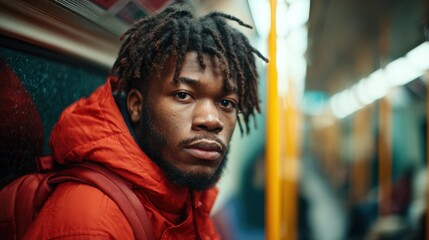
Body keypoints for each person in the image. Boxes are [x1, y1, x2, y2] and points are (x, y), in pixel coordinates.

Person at [24, 3, 267, 239]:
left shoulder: (190, 200)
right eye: (183, 95)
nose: (212, 120)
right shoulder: (91, 223)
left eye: (226, 103)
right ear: (137, 106)